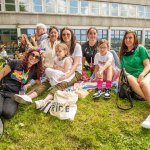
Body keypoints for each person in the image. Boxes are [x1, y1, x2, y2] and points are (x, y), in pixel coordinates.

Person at [14, 27, 82, 109]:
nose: (66, 36)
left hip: (74, 72)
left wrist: (66, 76)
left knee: (61, 84)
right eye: (63, 34)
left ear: (72, 35)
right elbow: (47, 56)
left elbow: (76, 64)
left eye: (68, 34)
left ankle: (44, 101)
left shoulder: (76, 46)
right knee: (47, 81)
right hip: (56, 70)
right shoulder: (58, 45)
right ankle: (29, 97)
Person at [0, 50, 43, 128]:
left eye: (37, 57)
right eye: (32, 55)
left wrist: (27, 93)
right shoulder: (16, 62)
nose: (34, 57)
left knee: (7, 114)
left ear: (39, 60)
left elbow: (38, 83)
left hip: (14, 95)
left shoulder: (34, 71)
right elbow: (1, 74)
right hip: (3, 90)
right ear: (28, 55)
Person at [119, 30, 150, 128]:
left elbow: (148, 65)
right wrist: (119, 80)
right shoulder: (123, 54)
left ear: (134, 39)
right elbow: (122, 70)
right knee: (129, 77)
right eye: (126, 38)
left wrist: (142, 74)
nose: (128, 40)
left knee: (143, 84)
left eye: (130, 37)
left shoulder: (140, 49)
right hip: (134, 80)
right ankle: (147, 98)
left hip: (146, 75)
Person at [35, 42, 75, 109]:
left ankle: (53, 82)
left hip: (64, 75)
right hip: (57, 73)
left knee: (54, 72)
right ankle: (52, 80)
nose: (58, 53)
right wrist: (53, 68)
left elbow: (65, 71)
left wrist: (57, 67)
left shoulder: (67, 60)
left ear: (65, 52)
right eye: (56, 51)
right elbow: (53, 67)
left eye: (60, 51)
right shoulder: (56, 59)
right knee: (47, 69)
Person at [23, 26, 60, 91]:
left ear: (58, 34)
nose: (53, 34)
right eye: (51, 32)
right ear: (49, 34)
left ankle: (28, 86)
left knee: (46, 78)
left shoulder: (60, 44)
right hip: (44, 67)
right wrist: (41, 54)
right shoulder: (44, 42)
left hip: (54, 69)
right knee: (42, 75)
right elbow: (40, 50)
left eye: (55, 32)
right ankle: (27, 85)